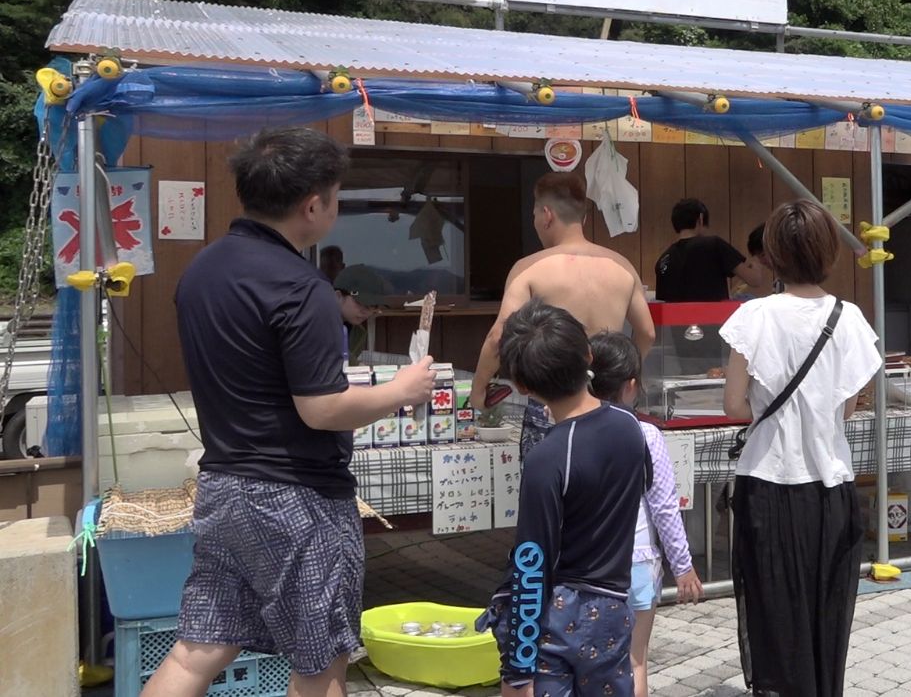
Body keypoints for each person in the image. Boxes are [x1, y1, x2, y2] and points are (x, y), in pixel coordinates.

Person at [143, 128, 436, 697]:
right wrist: (403, 388)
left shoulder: (202, 271)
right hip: (297, 498)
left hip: (223, 487)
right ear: (313, 205)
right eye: (335, 195)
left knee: (198, 649)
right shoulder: (303, 289)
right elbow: (323, 409)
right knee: (321, 661)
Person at [720, 200, 882, 697]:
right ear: (827, 252)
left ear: (772, 255)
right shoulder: (848, 317)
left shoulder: (754, 317)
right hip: (830, 486)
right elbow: (849, 409)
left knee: (773, 614)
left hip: (767, 483)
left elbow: (732, 405)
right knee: (826, 611)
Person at [488, 300, 649, 697]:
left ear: (523, 386)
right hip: (613, 608)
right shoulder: (630, 425)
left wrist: (518, 672)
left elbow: (531, 564)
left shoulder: (547, 458)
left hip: (555, 621)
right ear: (588, 355)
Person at [470, 171, 656, 462]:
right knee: (612, 499)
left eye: (534, 215)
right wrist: (621, 376)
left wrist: (479, 390)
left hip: (554, 403)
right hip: (612, 403)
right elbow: (647, 333)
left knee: (554, 497)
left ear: (546, 215)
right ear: (582, 219)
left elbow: (498, 337)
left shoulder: (529, 268)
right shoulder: (622, 266)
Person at [587, 331, 705, 697]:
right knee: (635, 660)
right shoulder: (646, 436)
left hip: (585, 568)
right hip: (637, 564)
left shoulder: (570, 432)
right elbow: (664, 507)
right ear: (631, 385)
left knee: (590, 659)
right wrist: (682, 566)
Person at [654, 198, 762, 302]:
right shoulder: (714, 245)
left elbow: (663, 301)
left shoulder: (663, 260)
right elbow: (754, 279)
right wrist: (756, 261)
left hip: (676, 320)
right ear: (700, 219)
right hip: (714, 318)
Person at [332, 264, 389, 362]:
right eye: (360, 302)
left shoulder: (358, 332)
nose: (366, 311)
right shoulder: (319, 326)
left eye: (373, 306)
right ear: (338, 296)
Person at [732, 223, 782, 299]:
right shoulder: (779, 282)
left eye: (763, 255)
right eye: (759, 257)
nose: (762, 262)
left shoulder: (797, 279)